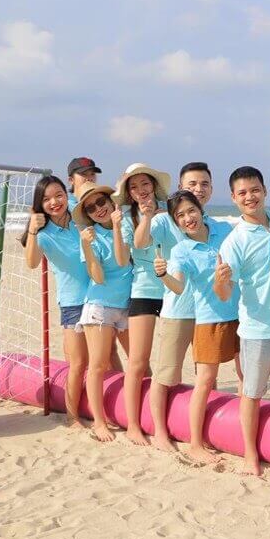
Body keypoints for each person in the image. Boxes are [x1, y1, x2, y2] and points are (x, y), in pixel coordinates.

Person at [142, 162, 232, 453]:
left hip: (211, 313)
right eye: (192, 184)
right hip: (179, 311)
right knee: (166, 374)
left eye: (204, 184)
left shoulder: (221, 228)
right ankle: (159, 432)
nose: (199, 189)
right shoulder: (165, 223)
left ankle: (206, 431)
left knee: (207, 376)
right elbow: (142, 242)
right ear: (181, 187)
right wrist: (146, 216)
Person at [215, 167, 270, 477]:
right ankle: (250, 454)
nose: (250, 196)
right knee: (251, 394)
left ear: (265, 190)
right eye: (243, 193)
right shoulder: (234, 241)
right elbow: (224, 293)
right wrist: (220, 281)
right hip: (257, 330)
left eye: (255, 190)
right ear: (234, 198)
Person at [22, 175, 91, 428]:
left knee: (104, 358)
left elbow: (87, 192)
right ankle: (72, 416)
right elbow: (31, 262)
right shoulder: (43, 234)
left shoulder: (78, 215)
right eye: (47, 199)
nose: (54, 202)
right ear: (40, 204)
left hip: (99, 296)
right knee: (79, 362)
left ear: (66, 193)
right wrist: (32, 228)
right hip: (73, 302)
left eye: (59, 195)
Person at [113, 163, 173, 447]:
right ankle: (133, 425)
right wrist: (125, 223)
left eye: (145, 184)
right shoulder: (128, 219)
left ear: (154, 186)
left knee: (171, 361)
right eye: (134, 187)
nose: (141, 191)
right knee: (137, 361)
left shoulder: (172, 211)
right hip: (144, 290)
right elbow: (125, 257)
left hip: (173, 290)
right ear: (129, 193)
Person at [73, 182, 133, 442]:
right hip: (100, 306)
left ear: (111, 202)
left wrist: (119, 226)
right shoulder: (90, 237)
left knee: (139, 363)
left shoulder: (126, 225)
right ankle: (99, 422)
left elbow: (124, 260)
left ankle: (137, 414)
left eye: (101, 202)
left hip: (127, 305)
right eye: (90, 208)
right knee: (97, 365)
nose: (98, 209)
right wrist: (86, 246)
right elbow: (97, 277)